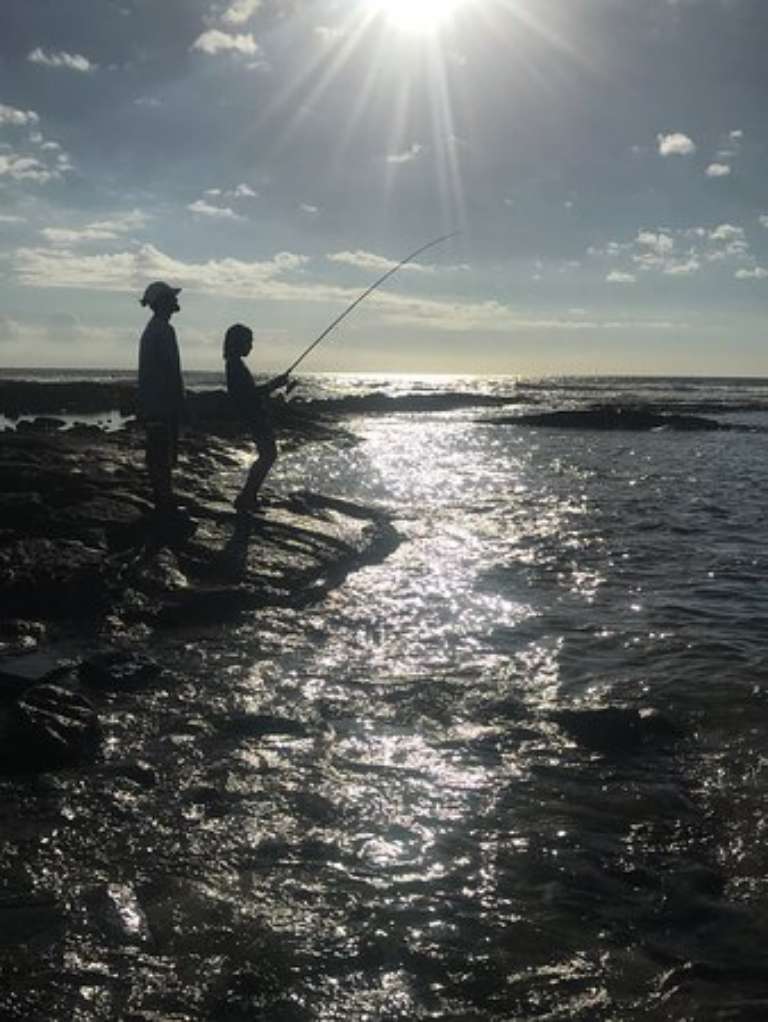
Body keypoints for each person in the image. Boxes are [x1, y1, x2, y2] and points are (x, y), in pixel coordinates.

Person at [223, 323, 289, 512]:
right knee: (269, 454)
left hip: (252, 415)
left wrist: (272, 387)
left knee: (267, 454)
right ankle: (247, 497)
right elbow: (248, 394)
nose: (251, 346)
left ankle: (249, 495)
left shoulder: (234, 363)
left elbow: (247, 393)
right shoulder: (235, 365)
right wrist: (273, 385)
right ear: (239, 343)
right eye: (248, 341)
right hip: (253, 416)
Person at [137, 280, 186, 514]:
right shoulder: (163, 331)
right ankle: (164, 502)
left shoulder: (153, 329)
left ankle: (162, 499)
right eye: (172, 298)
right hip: (163, 404)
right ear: (164, 302)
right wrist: (180, 401)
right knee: (162, 454)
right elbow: (170, 371)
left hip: (154, 402)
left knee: (158, 453)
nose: (176, 301)